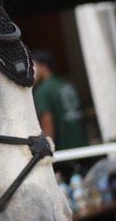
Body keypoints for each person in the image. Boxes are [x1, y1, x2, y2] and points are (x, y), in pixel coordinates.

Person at [32, 49, 88, 178]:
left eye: (35, 66)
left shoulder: (43, 91)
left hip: (65, 154)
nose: (32, 72)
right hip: (83, 145)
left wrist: (46, 150)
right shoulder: (66, 84)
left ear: (44, 66)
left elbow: (47, 120)